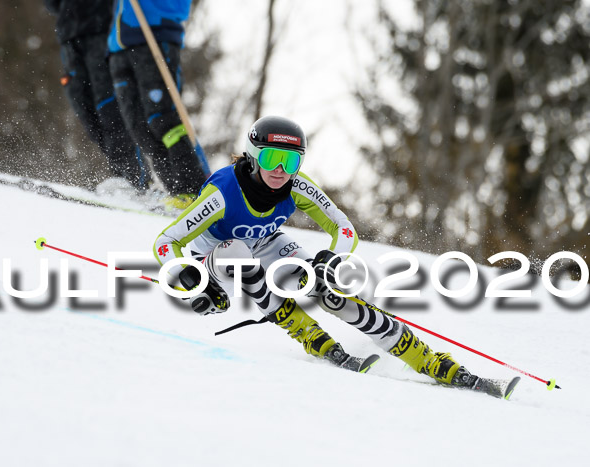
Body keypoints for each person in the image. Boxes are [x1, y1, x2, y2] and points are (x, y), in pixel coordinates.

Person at [153, 115, 493, 391]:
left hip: (266, 243)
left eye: (291, 161)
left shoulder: (296, 185)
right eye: (272, 158)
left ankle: (427, 359)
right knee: (236, 252)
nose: (281, 170)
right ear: (253, 155)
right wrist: (188, 277)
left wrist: (332, 260)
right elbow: (166, 242)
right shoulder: (223, 192)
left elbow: (343, 228)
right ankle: (304, 330)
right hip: (214, 258)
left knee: (326, 288)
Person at [108, 0, 209, 209]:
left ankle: (191, 190)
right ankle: (174, 192)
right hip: (120, 44)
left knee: (162, 119)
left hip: (155, 33)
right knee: (139, 127)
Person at [44, 0, 150, 193]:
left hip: (104, 31)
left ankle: (135, 181)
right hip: (70, 37)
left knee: (111, 110)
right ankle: (124, 178)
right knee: (88, 114)